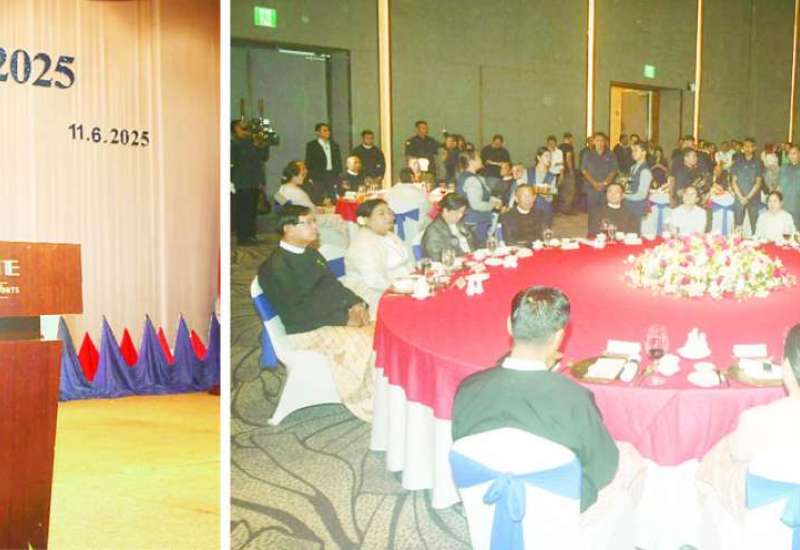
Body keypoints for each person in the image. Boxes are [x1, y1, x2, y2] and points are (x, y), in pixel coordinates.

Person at [452, 286, 644, 513]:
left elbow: (463, 447)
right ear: (559, 336)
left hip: (487, 497)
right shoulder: (573, 398)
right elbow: (604, 468)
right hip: (557, 509)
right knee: (629, 459)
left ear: (509, 325)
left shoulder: (468, 388)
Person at [257, 205, 373, 421]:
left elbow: (333, 285)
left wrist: (356, 303)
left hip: (328, 319)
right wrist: (344, 319)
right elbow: (296, 313)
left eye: (314, 222)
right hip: (304, 330)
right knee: (362, 341)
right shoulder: (276, 268)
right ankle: (366, 402)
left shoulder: (311, 253)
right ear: (288, 229)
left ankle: (379, 390)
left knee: (378, 330)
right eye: (307, 223)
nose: (315, 228)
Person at [697, 324, 800, 522]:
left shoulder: (757, 421)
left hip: (769, 516)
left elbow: (738, 454)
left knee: (722, 453)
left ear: (786, 368)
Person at [343, 199, 414, 317]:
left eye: (389, 212)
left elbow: (406, 262)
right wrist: (405, 289)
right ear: (366, 220)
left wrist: (414, 279)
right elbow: (375, 281)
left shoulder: (390, 235)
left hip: (399, 285)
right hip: (373, 294)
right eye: (381, 214)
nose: (389, 217)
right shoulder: (363, 244)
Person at [231, 119, 270, 246]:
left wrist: (264, 143)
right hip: (242, 182)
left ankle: (251, 235)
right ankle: (243, 238)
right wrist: (255, 146)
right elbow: (242, 158)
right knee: (243, 211)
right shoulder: (233, 143)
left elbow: (264, 157)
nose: (245, 130)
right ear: (234, 130)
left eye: (246, 128)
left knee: (252, 211)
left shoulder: (251, 142)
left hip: (254, 181)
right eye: (241, 128)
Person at [459, 150, 503, 245]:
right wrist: (493, 205)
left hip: (475, 221)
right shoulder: (472, 180)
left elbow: (483, 196)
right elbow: (476, 205)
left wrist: (495, 200)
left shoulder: (468, 176)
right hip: (476, 223)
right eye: (478, 157)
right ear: (471, 162)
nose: (481, 159)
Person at [421, 192, 476, 260]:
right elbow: (437, 258)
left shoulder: (460, 223)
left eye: (462, 212)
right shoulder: (433, 231)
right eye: (457, 212)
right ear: (445, 211)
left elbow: (474, 244)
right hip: (454, 264)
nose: (460, 215)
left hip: (471, 261)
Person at [384, 167, 432, 239]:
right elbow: (429, 208)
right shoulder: (419, 193)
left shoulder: (389, 192)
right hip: (415, 228)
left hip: (394, 227)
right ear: (413, 178)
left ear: (399, 179)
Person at [730, 137, 764, 231]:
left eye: (750, 146)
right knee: (738, 225)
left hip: (753, 197)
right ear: (743, 147)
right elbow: (733, 181)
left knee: (754, 225)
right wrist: (741, 197)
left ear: (754, 148)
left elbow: (758, 183)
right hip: (739, 198)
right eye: (746, 146)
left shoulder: (758, 162)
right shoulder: (737, 162)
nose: (748, 148)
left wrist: (747, 198)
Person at [581, 132, 619, 214]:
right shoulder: (587, 154)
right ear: (593, 142)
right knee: (592, 212)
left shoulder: (611, 154)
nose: (600, 143)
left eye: (602, 140)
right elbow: (584, 170)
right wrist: (594, 183)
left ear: (605, 142)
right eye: (597, 140)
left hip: (606, 188)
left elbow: (613, 171)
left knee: (606, 212)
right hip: (591, 188)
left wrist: (605, 183)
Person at [305, 123, 342, 204]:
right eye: (325, 130)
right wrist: (309, 177)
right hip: (318, 176)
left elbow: (338, 161)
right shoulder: (312, 145)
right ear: (317, 132)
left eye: (328, 130)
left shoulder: (334, 145)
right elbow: (309, 162)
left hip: (332, 174)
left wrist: (338, 174)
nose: (328, 132)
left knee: (333, 197)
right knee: (318, 198)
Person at [528, 146, 557, 228]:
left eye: (550, 157)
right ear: (539, 157)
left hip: (545, 210)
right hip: (530, 210)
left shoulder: (552, 176)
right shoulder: (528, 172)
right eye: (546, 156)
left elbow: (552, 197)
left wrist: (547, 196)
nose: (549, 159)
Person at [624, 142, 653, 219]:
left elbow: (642, 195)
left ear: (644, 152)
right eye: (632, 151)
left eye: (636, 150)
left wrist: (623, 196)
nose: (633, 153)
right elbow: (629, 185)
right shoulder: (632, 168)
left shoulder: (645, 171)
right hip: (628, 204)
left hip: (638, 206)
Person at [778, 145, 800, 225]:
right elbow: (779, 186)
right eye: (789, 153)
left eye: (794, 153)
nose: (791, 156)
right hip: (784, 205)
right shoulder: (783, 168)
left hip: (797, 206)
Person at [558, 132, 577, 214]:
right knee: (570, 191)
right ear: (570, 138)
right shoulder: (569, 147)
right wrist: (571, 171)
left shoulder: (559, 147)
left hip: (560, 171)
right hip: (568, 172)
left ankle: (561, 209)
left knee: (562, 191)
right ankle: (567, 210)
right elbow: (568, 159)